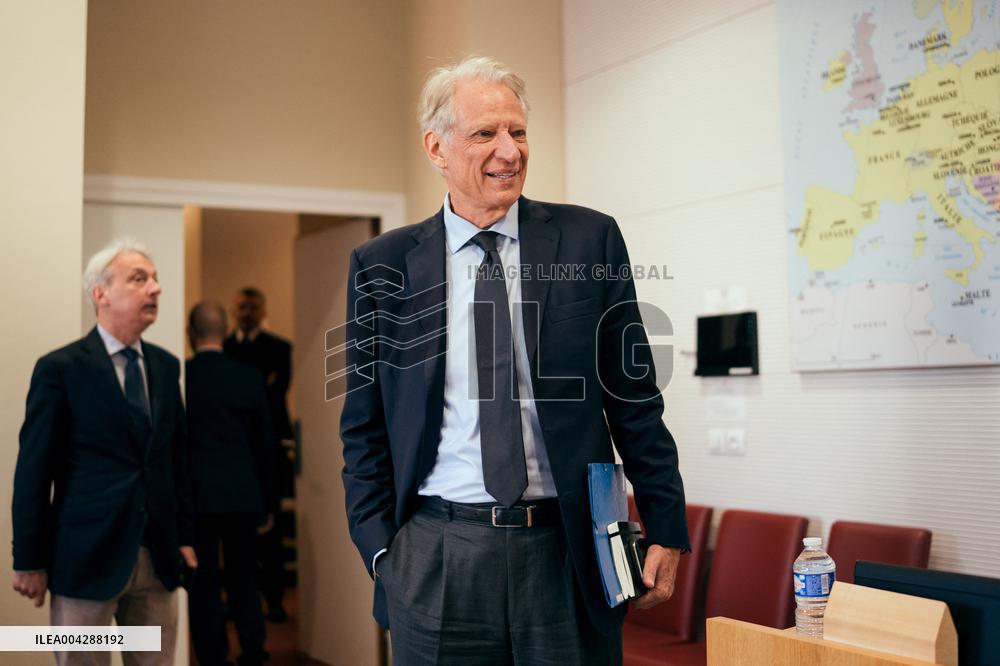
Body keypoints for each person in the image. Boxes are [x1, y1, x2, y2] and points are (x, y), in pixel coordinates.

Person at [340, 56, 689, 665]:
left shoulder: (589, 240)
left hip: (569, 552)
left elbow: (634, 396)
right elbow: (363, 425)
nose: (510, 150)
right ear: (437, 148)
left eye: (519, 132)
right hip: (436, 554)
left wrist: (665, 522)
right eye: (485, 134)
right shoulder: (384, 266)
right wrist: (381, 552)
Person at [11, 239, 197, 666]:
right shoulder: (60, 369)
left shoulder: (167, 368)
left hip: (157, 560)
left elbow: (177, 460)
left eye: (155, 279)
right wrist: (29, 558)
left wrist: (186, 535)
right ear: (100, 294)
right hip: (84, 561)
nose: (155, 288)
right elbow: (34, 471)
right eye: (139, 279)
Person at [186, 301, 274, 666]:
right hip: (243, 494)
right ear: (223, 332)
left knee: (203, 582)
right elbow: (265, 445)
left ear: (190, 334)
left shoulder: (181, 376)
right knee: (243, 578)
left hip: (197, 496)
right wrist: (267, 501)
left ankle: (213, 656)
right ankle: (254, 651)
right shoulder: (248, 377)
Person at [223, 287, 292, 622]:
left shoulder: (279, 348)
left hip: (269, 452)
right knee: (235, 532)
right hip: (233, 452)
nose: (247, 310)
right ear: (234, 309)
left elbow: (275, 394)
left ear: (262, 308)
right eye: (242, 305)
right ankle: (237, 600)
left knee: (271, 530)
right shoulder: (224, 348)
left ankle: (275, 599)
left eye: (253, 305)